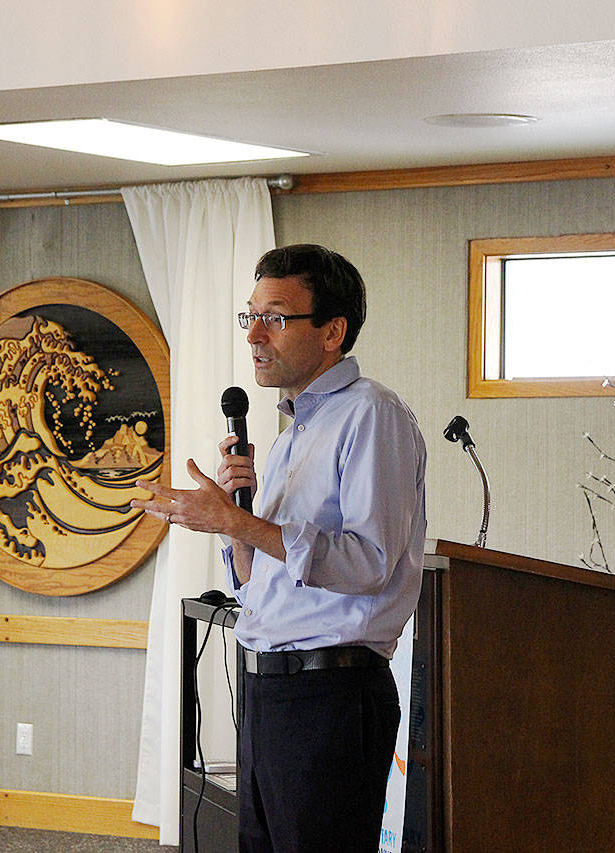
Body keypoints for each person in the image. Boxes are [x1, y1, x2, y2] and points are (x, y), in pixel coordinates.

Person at [132, 244, 427, 853]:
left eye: (275, 317)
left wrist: (243, 526)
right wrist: (232, 521)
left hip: (331, 696)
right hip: (270, 690)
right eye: (250, 316)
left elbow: (369, 561)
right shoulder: (297, 429)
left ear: (332, 332)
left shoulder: (371, 414)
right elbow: (263, 579)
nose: (255, 336)